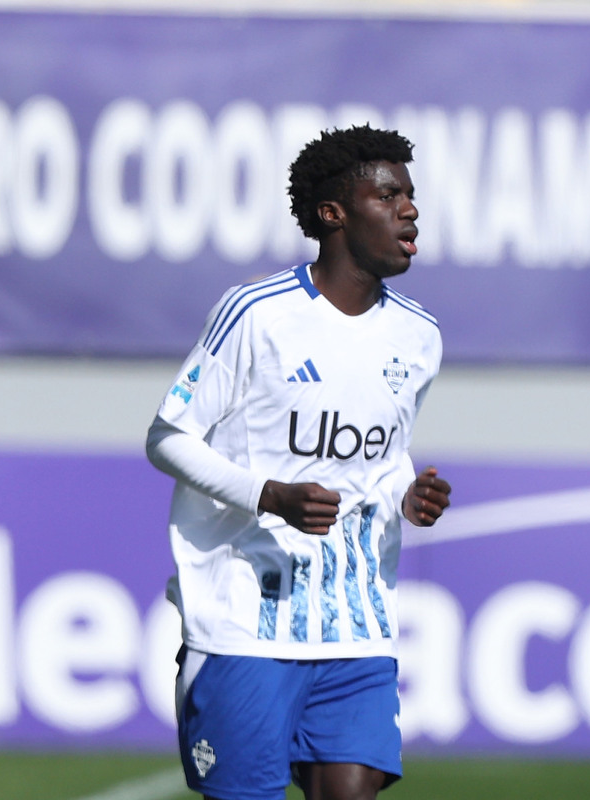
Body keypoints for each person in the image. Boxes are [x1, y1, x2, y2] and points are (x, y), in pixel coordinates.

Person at [146, 124, 452, 800]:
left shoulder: (419, 335)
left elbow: (382, 456)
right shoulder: (257, 314)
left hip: (357, 627)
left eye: (411, 195)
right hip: (246, 626)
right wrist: (271, 496)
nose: (410, 209)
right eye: (389, 194)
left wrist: (406, 495)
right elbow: (166, 438)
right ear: (332, 214)